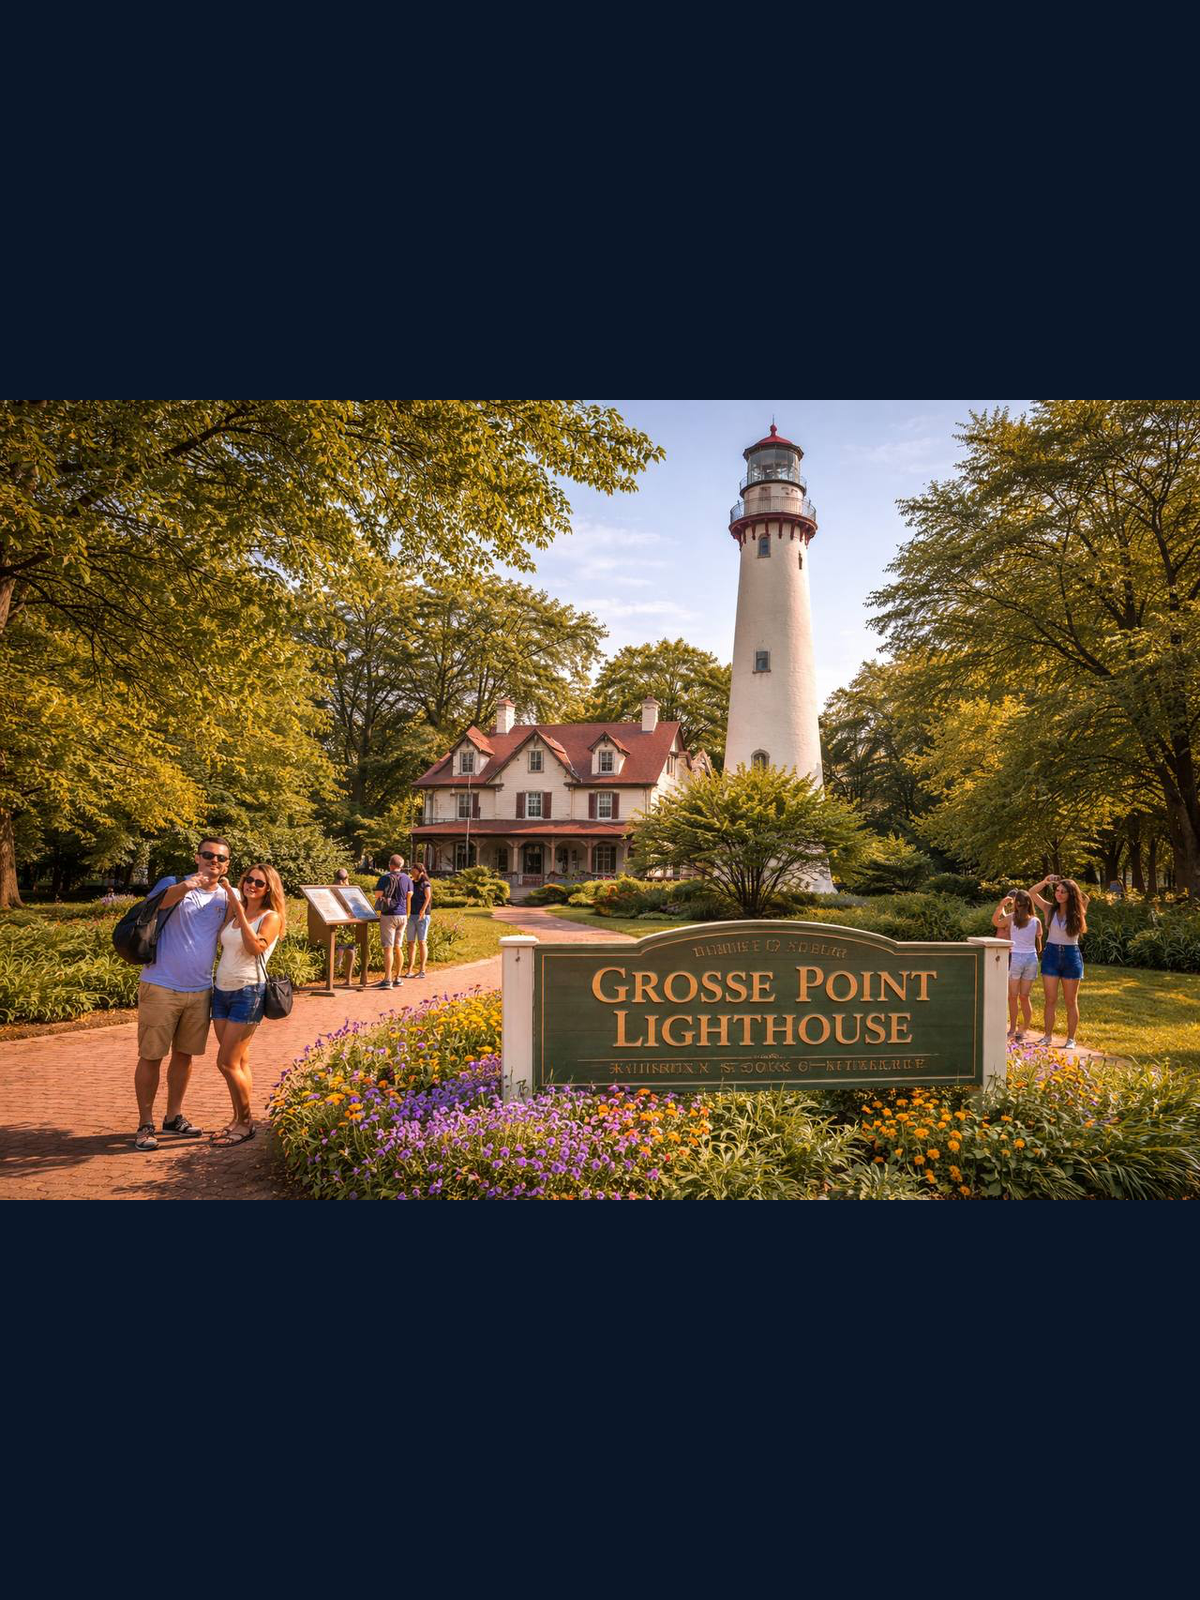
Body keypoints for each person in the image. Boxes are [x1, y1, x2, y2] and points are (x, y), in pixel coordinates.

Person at [133, 837, 233, 1150]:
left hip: (201, 989)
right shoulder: (174, 884)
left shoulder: (224, 897)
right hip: (161, 984)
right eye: (208, 855)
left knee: (184, 1055)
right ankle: (145, 1123)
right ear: (197, 856)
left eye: (220, 858)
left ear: (226, 865)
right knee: (151, 1055)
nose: (213, 861)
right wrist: (188, 886)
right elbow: (156, 905)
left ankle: (173, 1116)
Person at [209, 863, 285, 1146]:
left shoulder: (271, 917)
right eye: (248, 880)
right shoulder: (235, 911)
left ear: (269, 889)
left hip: (248, 992)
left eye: (260, 883)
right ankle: (236, 1119)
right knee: (239, 1061)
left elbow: (255, 947)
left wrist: (239, 909)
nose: (252, 885)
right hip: (222, 991)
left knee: (226, 1063)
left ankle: (247, 1123)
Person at [1029, 874, 1090, 1049]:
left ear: (1071, 894)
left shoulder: (1079, 911)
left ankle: (1071, 1039)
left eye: (1063, 891)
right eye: (1057, 891)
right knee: (1050, 999)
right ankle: (1047, 1036)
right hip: (1052, 955)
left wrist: (1073, 886)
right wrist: (1046, 882)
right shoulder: (1050, 909)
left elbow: (1085, 898)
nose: (1059, 894)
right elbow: (1032, 893)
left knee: (1071, 1001)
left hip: (1071, 956)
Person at [992, 889, 1043, 1043]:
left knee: (1012, 997)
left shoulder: (1011, 918)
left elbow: (995, 922)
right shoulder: (1036, 921)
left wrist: (1001, 905)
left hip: (1016, 958)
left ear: (1016, 904)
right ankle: (1024, 1030)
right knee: (1024, 997)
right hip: (1031, 959)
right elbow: (1039, 943)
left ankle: (1012, 1029)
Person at [373, 854, 412, 989]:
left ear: (390, 865)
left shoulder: (385, 878)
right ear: (401, 866)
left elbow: (378, 894)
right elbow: (409, 895)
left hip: (388, 915)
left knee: (388, 948)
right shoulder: (407, 878)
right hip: (402, 915)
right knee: (398, 946)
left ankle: (387, 979)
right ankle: (398, 977)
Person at [404, 863, 432, 978]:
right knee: (410, 942)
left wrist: (423, 910)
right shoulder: (411, 883)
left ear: (420, 871)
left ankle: (422, 970)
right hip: (411, 915)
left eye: (413, 870)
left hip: (422, 916)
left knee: (422, 942)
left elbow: (428, 897)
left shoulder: (426, 884)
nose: (411, 871)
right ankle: (409, 970)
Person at [333, 867, 357, 984]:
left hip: (335, 921)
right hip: (347, 921)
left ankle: (336, 969)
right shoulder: (350, 889)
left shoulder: (332, 889)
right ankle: (349, 979)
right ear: (347, 877)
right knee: (350, 948)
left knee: (340, 947)